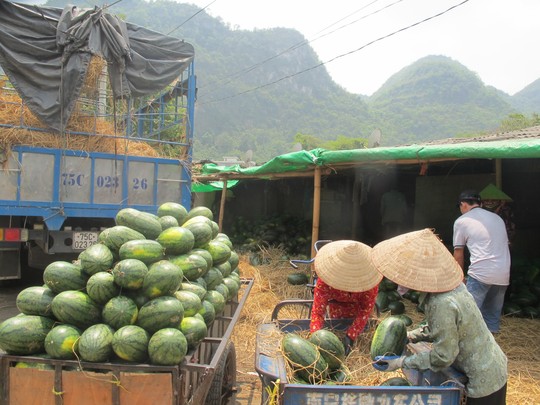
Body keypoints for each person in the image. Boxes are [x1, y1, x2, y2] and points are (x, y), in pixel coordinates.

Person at [371, 229, 508, 405]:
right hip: (493, 366)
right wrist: (412, 336)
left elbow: (443, 356)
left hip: (483, 380)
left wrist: (402, 362)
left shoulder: (441, 303)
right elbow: (448, 327)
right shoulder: (453, 286)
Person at [453, 190, 511, 333]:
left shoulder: (462, 221)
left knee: (468, 318)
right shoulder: (497, 218)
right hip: (503, 274)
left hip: (481, 274)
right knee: (491, 319)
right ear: (480, 203)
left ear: (463, 204)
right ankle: (491, 352)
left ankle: (467, 352)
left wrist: (459, 278)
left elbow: (458, 253)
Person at [309, 240, 382, 354]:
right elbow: (318, 312)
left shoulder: (370, 285)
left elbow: (365, 310)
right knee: (337, 325)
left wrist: (351, 336)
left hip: (359, 316)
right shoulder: (325, 282)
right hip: (336, 312)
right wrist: (315, 336)